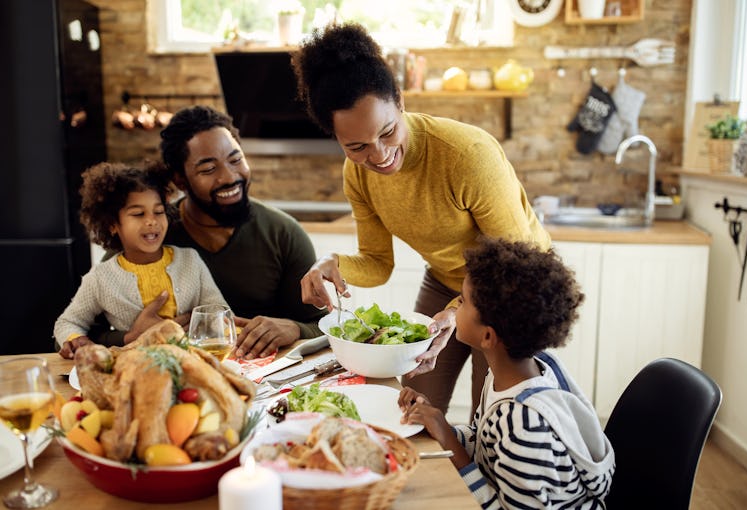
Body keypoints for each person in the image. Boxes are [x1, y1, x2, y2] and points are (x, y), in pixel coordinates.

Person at [293, 23, 551, 415]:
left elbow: (515, 265)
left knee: (496, 416)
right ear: (336, 138)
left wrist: (458, 310)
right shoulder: (357, 174)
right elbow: (378, 264)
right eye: (357, 146)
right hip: (447, 279)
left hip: (511, 290)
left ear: (399, 100)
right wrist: (332, 265)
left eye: (387, 132)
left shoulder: (467, 156)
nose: (378, 156)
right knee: (413, 403)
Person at [399, 238, 614, 509]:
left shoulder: (524, 425)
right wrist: (440, 425)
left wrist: (450, 443)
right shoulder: (515, 375)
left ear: (487, 336)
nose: (455, 308)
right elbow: (485, 441)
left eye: (462, 302)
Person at [158, 105, 326, 358]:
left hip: (270, 387)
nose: (229, 177)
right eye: (208, 169)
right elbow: (84, 331)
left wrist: (294, 328)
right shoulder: (153, 232)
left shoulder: (283, 233)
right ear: (180, 180)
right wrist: (139, 333)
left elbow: (324, 328)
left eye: (236, 160)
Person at [55, 161, 228, 359]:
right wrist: (78, 339)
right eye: (138, 214)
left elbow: (219, 312)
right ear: (112, 224)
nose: (151, 221)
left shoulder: (190, 260)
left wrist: (201, 323)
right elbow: (67, 322)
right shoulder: (100, 278)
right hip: (137, 366)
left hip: (194, 360)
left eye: (159, 211)